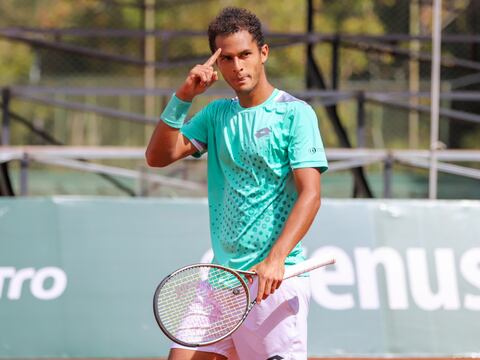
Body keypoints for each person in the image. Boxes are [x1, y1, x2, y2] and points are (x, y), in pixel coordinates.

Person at [146, 6, 328, 360]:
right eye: (226, 58)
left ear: (263, 53)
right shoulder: (216, 114)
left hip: (274, 282)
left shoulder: (295, 114)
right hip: (220, 281)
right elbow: (158, 156)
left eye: (245, 54)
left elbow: (311, 195)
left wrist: (275, 260)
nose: (237, 66)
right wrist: (184, 95)